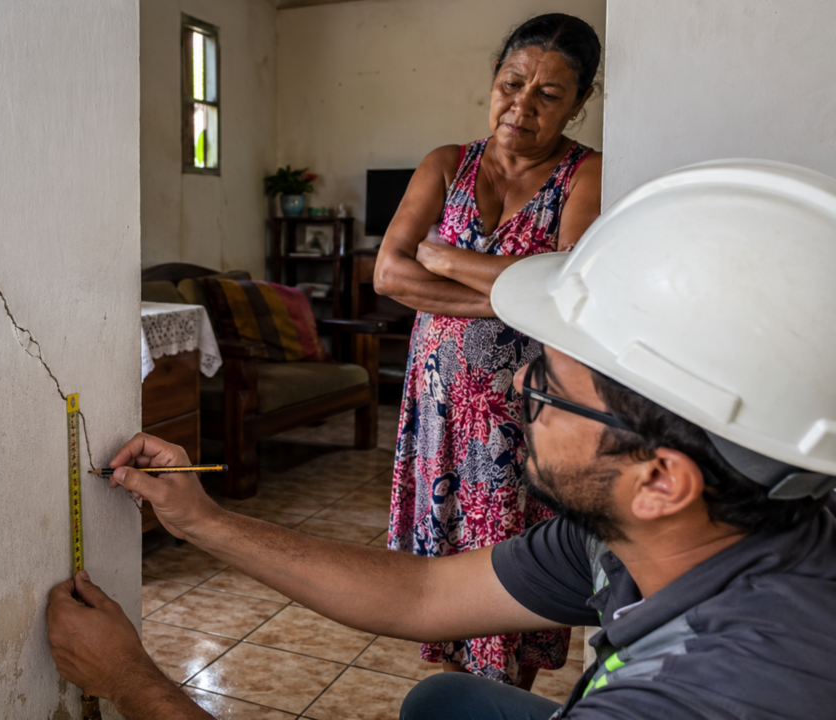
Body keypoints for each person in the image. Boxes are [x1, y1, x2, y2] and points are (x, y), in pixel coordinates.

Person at [45, 159, 836, 719]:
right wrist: (203, 520)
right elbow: (424, 593)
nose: (519, 390)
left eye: (553, 390)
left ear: (663, 479)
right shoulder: (671, 530)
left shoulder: (722, 690)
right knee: (445, 697)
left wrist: (133, 681)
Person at [373, 13, 604, 687]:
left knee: (511, 583)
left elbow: (570, 287)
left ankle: (500, 701)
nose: (522, 105)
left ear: (580, 102)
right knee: (438, 572)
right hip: (438, 416)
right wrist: (515, 293)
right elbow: (389, 275)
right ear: (493, 81)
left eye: (549, 95)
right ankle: (456, 695)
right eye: (512, 83)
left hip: (525, 419)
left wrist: (444, 260)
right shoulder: (447, 163)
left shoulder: (583, 174)